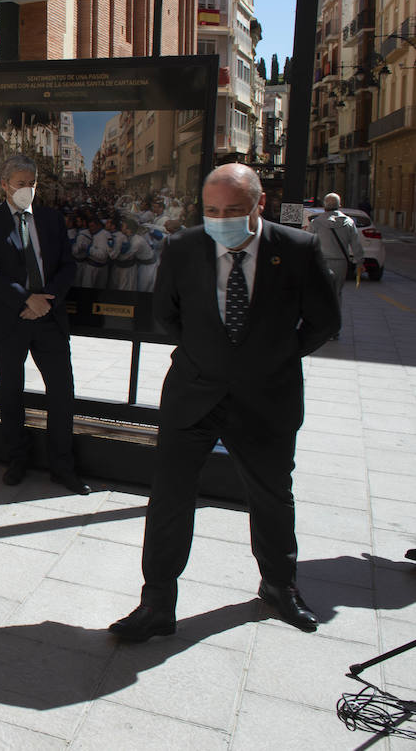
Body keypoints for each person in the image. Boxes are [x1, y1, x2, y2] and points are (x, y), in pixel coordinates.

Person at [109, 164, 340, 643]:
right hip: (193, 392)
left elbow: (322, 322)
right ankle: (157, 603)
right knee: (170, 496)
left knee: (271, 494)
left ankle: (279, 586)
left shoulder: (297, 249)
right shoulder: (182, 247)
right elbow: (166, 316)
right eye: (212, 211)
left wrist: (272, 358)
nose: (221, 219)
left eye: (233, 211)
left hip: (266, 395)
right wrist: (207, 357)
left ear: (258, 205)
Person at [0, 155, 88, 495]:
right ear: (5, 184)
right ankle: (17, 459)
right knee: (10, 393)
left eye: (32, 183)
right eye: (21, 183)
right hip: (9, 320)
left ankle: (62, 466)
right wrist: (25, 300)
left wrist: (44, 299)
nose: (28, 189)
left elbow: (67, 266)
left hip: (48, 318)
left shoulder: (51, 220)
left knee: (62, 393)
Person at [308, 192, 365, 338]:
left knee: (321, 294)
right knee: (336, 294)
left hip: (321, 262)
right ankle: (334, 330)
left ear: (324, 206)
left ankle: (321, 327)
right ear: (340, 205)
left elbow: (309, 243)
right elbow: (356, 245)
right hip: (341, 263)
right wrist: (360, 261)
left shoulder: (316, 222)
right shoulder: (348, 222)